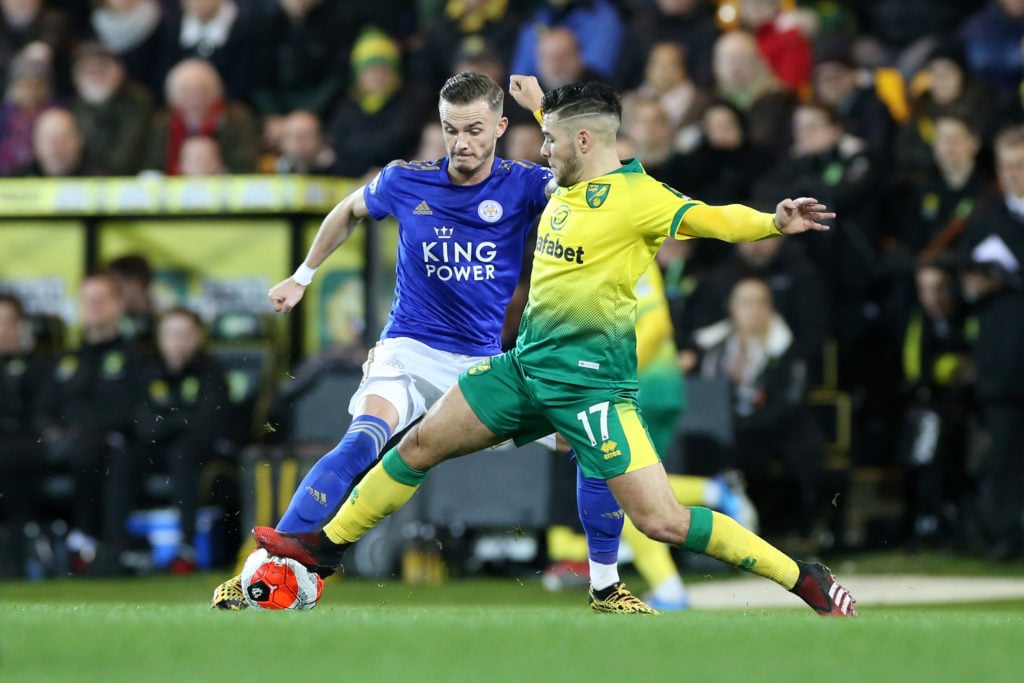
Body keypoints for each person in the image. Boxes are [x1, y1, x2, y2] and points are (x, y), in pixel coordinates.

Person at [255, 76, 858, 617]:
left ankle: (801, 576)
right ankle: (319, 551)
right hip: (524, 369)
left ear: (586, 143)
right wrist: (542, 102)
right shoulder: (564, 183)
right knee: (414, 446)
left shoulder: (639, 198)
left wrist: (772, 223)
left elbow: (712, 218)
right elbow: (573, 128)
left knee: (663, 520)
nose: (541, 152)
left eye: (551, 142)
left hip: (591, 388)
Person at [212, 72, 652, 614]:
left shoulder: (523, 184)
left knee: (593, 442)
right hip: (408, 349)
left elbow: (592, 181)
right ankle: (258, 572)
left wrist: (546, 112)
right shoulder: (405, 180)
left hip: (482, 366)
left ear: (499, 127)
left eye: (474, 129)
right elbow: (348, 210)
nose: (462, 143)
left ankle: (605, 583)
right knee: (363, 440)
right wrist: (302, 275)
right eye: (450, 129)